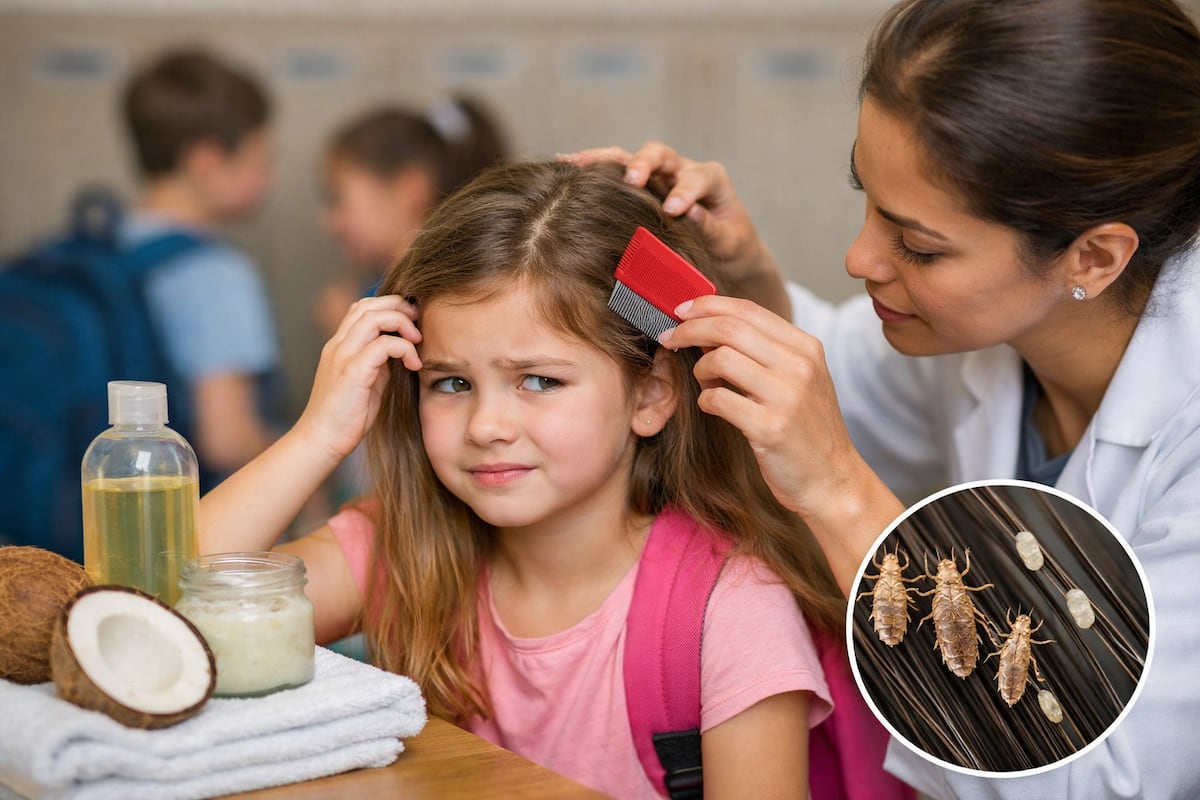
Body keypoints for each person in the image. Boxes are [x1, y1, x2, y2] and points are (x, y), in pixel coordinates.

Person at [566, 0, 1200, 797]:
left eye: (920, 246)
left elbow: (1102, 780)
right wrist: (745, 278)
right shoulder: (982, 331)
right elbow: (848, 390)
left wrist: (837, 491)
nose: (860, 256)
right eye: (865, 196)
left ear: (1094, 257)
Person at [196, 160, 895, 799]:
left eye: (539, 380)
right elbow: (152, 612)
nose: (487, 425)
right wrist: (318, 435)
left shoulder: (733, 606)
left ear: (651, 395)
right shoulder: (401, 545)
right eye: (451, 382)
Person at [121, 47, 281, 486]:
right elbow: (227, 438)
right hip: (187, 521)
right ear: (208, 162)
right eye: (261, 159)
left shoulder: (109, 244)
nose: (269, 178)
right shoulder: (217, 274)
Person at [314, 96, 509, 338]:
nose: (327, 221)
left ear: (410, 190)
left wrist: (346, 334)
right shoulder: (379, 290)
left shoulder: (440, 299)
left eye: (338, 199)